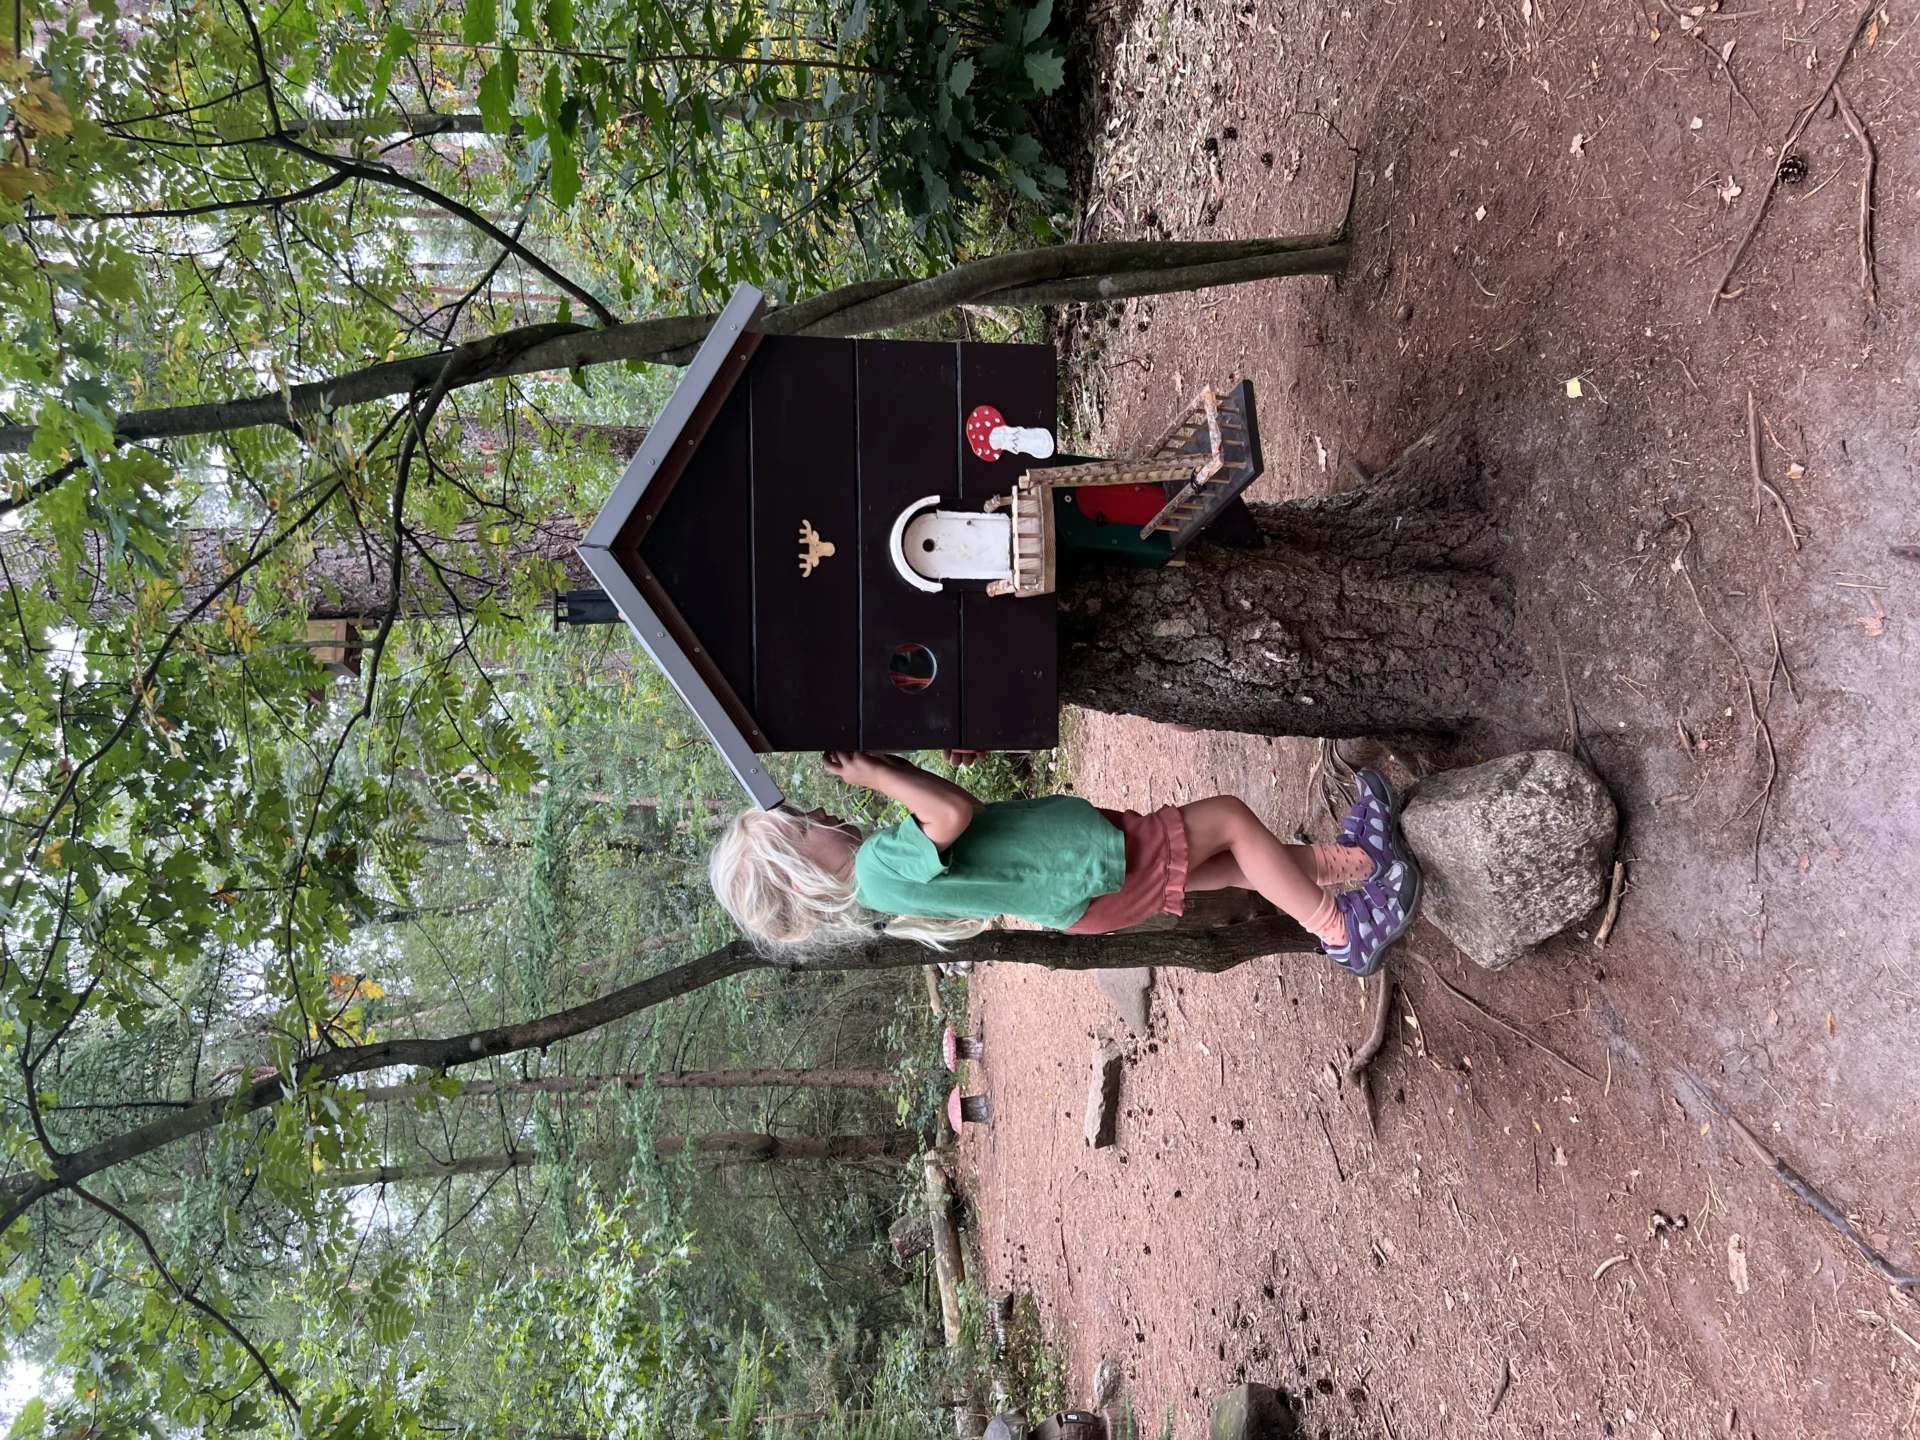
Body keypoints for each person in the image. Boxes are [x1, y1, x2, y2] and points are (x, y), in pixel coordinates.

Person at [707, 752, 1420, 976]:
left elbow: (945, 809)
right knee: (1229, 817)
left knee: (1233, 861)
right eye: (804, 825)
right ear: (801, 871)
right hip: (1089, 870)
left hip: (1086, 887)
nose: (823, 815)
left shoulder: (883, 876)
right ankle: (1340, 931)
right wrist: (877, 776)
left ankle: (1356, 865)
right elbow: (951, 813)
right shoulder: (877, 870)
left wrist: (885, 766)